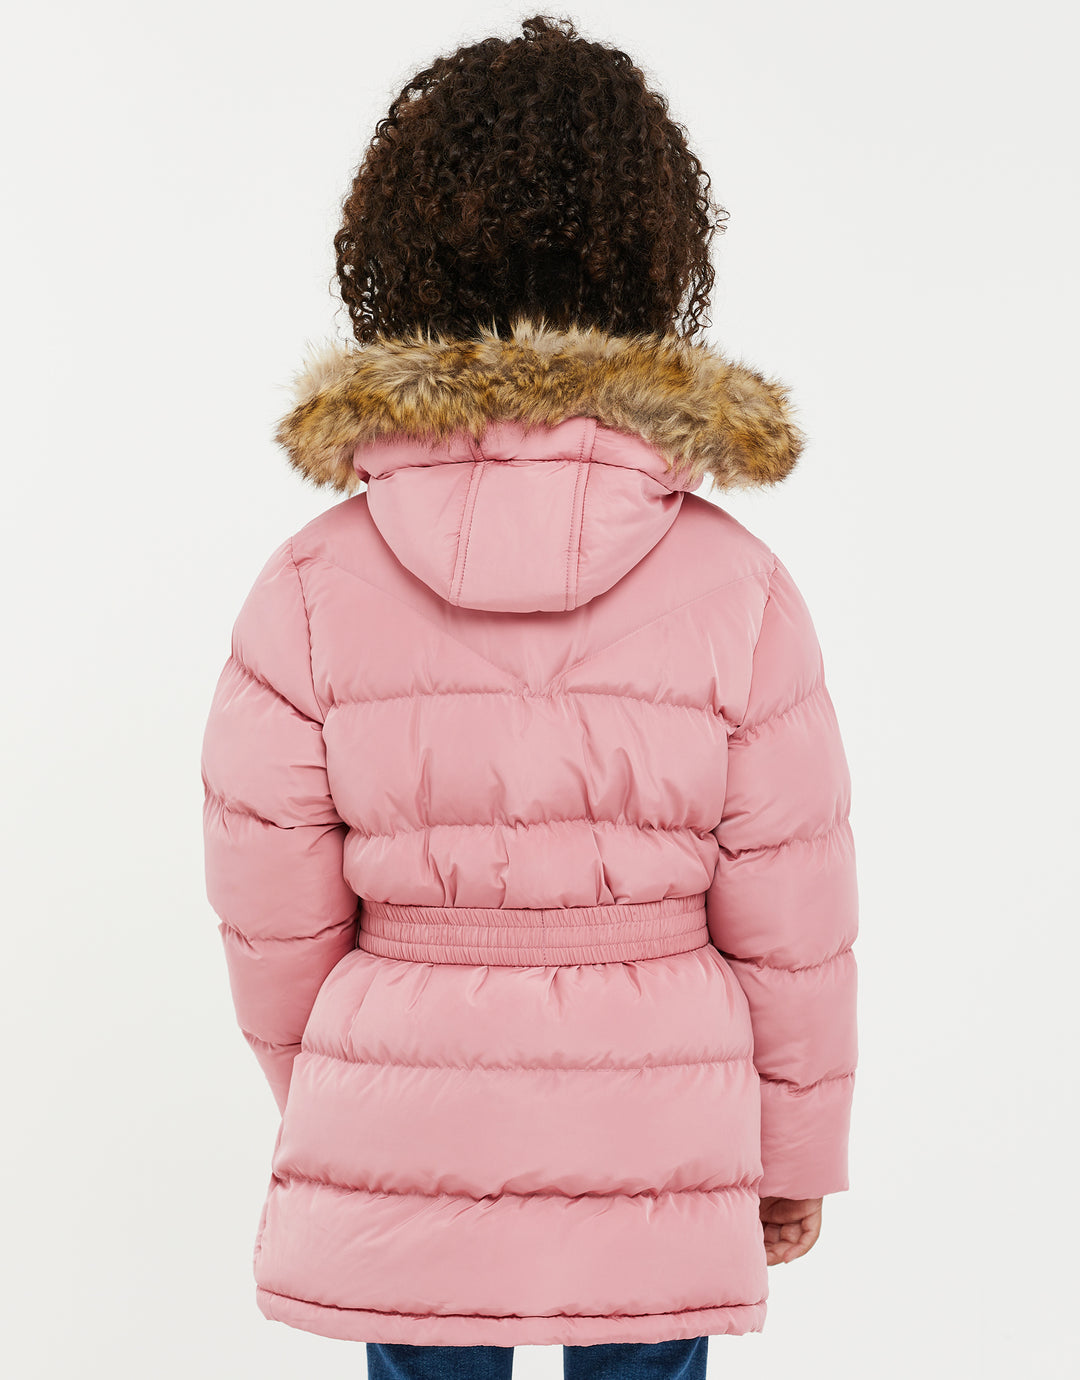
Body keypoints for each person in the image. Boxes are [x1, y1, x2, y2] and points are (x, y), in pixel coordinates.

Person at [199, 14, 858, 1380]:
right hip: (664, 1111)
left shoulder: (310, 583)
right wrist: (791, 1153)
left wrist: (345, 1093)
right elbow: (795, 917)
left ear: (397, 259)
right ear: (657, 258)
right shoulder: (737, 582)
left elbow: (268, 906)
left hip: (404, 1101)